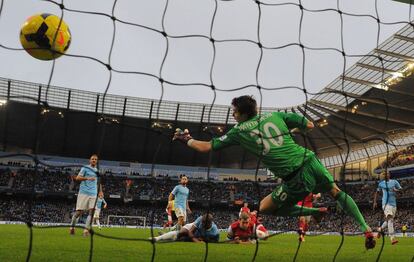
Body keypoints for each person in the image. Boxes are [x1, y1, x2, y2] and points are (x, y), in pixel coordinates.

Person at [173, 95, 376, 249]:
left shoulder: (240, 130)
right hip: (310, 160)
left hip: (294, 177)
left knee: (265, 207)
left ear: (243, 114)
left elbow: (206, 147)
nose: (233, 115)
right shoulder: (276, 115)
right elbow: (310, 125)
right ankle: (366, 229)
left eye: (234, 111)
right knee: (335, 191)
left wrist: (186, 139)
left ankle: (314, 212)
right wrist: (289, 132)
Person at [69, 154, 100, 236]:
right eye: (92, 159)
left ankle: (86, 231)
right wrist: (87, 178)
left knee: (92, 211)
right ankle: (72, 227)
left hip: (93, 193)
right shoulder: (85, 168)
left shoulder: (97, 171)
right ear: (90, 160)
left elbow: (97, 182)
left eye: (95, 159)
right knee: (79, 212)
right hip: (84, 192)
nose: (94, 160)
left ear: (97, 161)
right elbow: (77, 178)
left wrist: (100, 191)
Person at [373, 171, 402, 245]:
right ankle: (392, 238)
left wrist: (396, 190)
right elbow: (377, 192)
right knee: (390, 218)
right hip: (385, 204)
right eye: (385, 174)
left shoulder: (394, 182)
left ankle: (380, 229)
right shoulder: (381, 183)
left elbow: (401, 190)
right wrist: (375, 202)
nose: (386, 175)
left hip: (393, 204)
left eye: (387, 173)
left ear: (389, 175)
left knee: (389, 220)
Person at [153, 213, 219, 243]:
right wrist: (196, 241)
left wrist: (203, 240)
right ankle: (158, 238)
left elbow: (215, 241)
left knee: (181, 240)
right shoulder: (200, 220)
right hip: (191, 228)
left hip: (197, 234)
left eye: (204, 223)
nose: (202, 224)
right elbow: (190, 231)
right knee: (181, 233)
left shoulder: (215, 232)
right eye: (202, 223)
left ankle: (166, 236)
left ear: (210, 223)